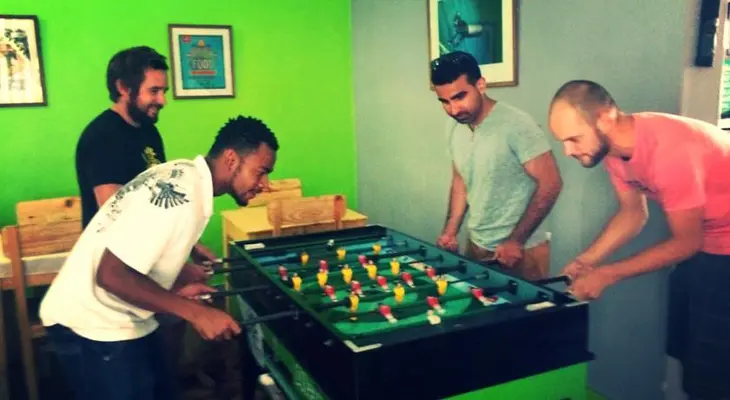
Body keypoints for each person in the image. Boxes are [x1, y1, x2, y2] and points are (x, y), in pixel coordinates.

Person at [39, 115, 279, 400]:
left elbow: (138, 253)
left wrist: (176, 282)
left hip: (123, 319)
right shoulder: (181, 194)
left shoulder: (186, 176)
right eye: (261, 172)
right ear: (231, 159)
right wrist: (196, 313)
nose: (266, 184)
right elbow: (111, 274)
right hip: (92, 325)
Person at [548, 79, 730, 400]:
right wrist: (586, 261)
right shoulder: (613, 152)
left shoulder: (671, 151)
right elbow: (633, 214)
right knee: (686, 349)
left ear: (605, 118)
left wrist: (607, 274)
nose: (568, 151)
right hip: (706, 245)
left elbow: (685, 242)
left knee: (712, 373)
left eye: (574, 139)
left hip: (721, 249)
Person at [74, 45, 216, 263]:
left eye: (164, 91)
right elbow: (117, 217)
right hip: (112, 267)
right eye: (154, 91)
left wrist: (191, 245)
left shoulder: (149, 131)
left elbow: (162, 201)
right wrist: (176, 265)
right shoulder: (102, 137)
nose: (162, 100)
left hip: (146, 260)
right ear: (123, 87)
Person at [430, 51, 563, 280]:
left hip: (523, 251)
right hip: (476, 244)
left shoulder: (517, 124)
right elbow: (461, 180)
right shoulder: (454, 126)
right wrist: (450, 232)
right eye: (445, 102)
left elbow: (551, 183)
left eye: (460, 97)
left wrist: (516, 241)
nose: (453, 110)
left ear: (481, 85)